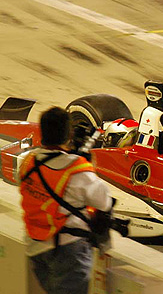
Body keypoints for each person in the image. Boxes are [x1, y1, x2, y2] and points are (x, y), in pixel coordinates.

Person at [19, 107, 112, 294]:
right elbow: (104, 201)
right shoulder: (77, 169)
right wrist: (87, 162)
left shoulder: (28, 163)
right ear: (68, 134)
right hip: (68, 251)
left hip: (36, 248)